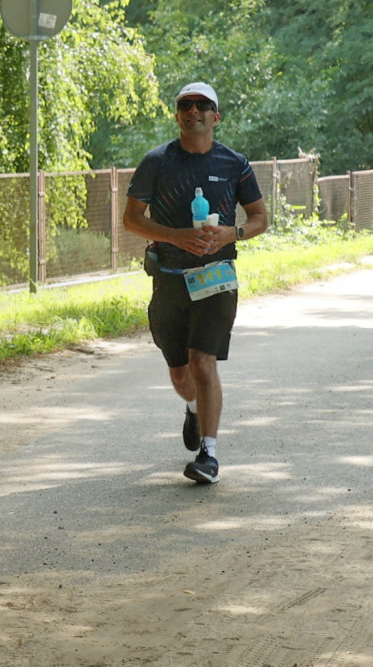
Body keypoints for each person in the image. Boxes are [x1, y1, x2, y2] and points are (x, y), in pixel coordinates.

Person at [122, 82, 268, 484]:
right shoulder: (157, 162)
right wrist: (175, 236)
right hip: (169, 278)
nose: (194, 111)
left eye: (203, 105)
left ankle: (209, 454)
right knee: (181, 373)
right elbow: (131, 219)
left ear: (216, 116)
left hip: (217, 277)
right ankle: (192, 409)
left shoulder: (234, 163)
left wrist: (230, 234)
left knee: (204, 362)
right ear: (177, 115)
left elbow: (260, 218)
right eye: (186, 105)